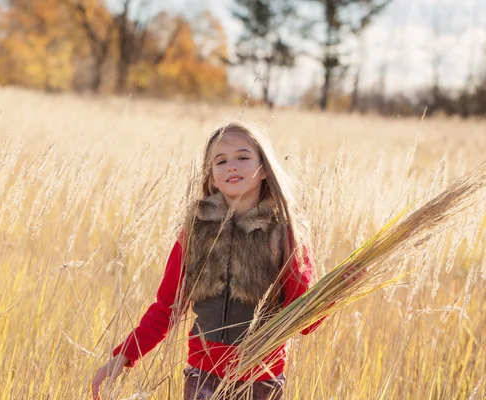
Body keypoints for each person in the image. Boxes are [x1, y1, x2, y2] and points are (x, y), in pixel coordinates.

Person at [92, 121, 359, 399]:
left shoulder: (285, 233)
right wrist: (124, 356)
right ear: (211, 177)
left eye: (243, 157)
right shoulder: (195, 231)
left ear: (265, 168)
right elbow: (166, 309)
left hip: (260, 381)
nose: (232, 166)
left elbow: (303, 321)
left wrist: (335, 292)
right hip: (202, 378)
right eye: (221, 161)